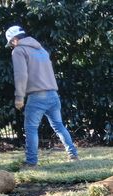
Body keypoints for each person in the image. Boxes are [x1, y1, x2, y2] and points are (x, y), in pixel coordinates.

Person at [5, 25, 79, 168]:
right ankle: (73, 154)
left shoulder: (19, 50)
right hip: (53, 94)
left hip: (37, 96)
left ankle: (31, 162)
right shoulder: (41, 49)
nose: (11, 46)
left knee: (31, 129)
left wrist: (19, 97)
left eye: (11, 43)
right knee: (59, 126)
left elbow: (21, 75)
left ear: (14, 39)